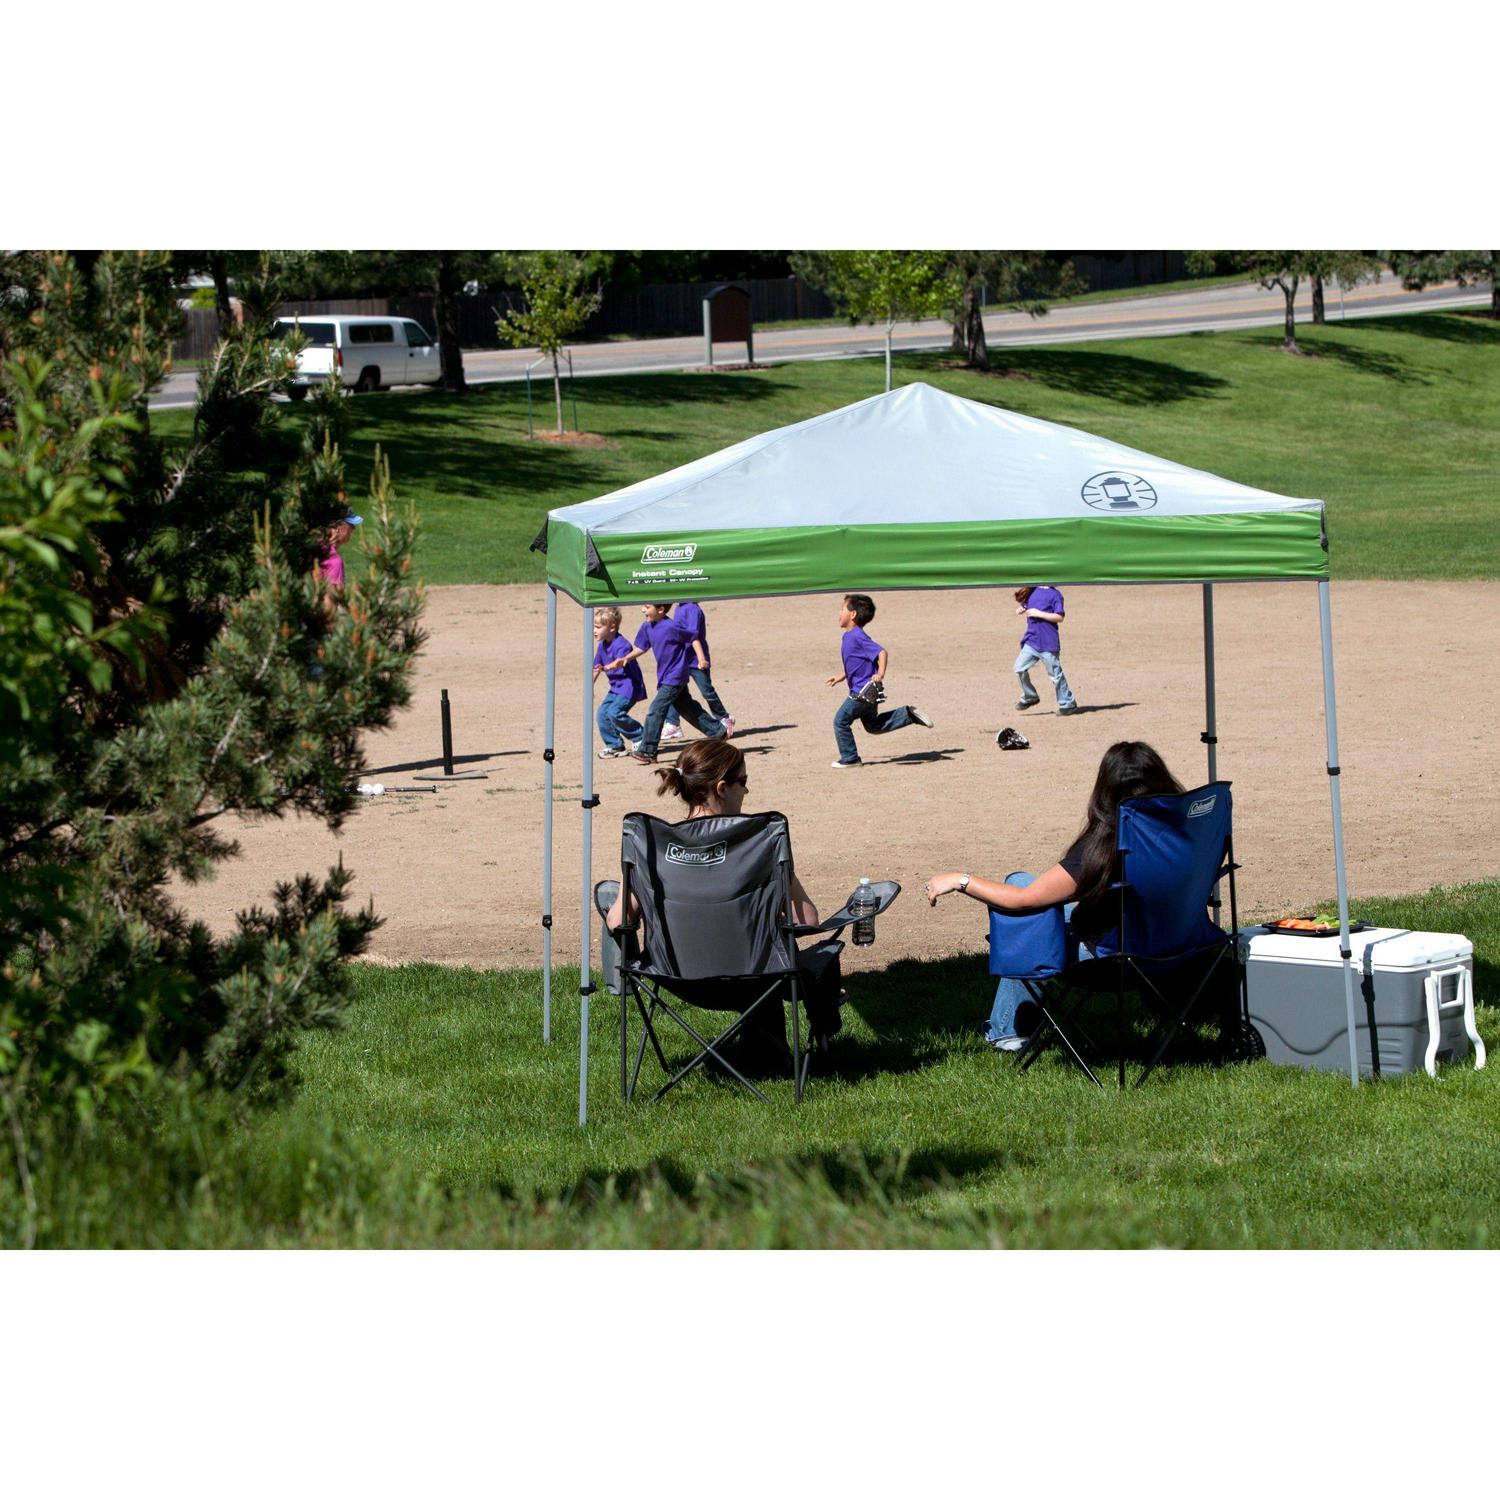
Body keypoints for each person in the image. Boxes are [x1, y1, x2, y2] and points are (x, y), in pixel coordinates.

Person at [922, 741, 1184, 1050]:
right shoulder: (1187, 831)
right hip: (1179, 944)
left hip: (1115, 959)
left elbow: (1025, 899)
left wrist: (960, 879)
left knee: (1023, 902)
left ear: (1105, 790)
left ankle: (1008, 1031)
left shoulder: (1105, 846)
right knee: (1023, 885)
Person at [605, 738, 845, 1067]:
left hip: (674, 978)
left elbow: (617, 921)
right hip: (758, 979)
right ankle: (809, 1047)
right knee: (817, 957)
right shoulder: (760, 842)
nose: (746, 791)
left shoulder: (650, 845)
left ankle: (767, 1052)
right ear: (721, 787)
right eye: (743, 782)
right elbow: (806, 919)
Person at [827, 593, 933, 768]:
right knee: (873, 725)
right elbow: (856, 662)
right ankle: (907, 715)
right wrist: (842, 675)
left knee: (840, 721)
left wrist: (881, 673)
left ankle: (850, 758)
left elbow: (881, 652)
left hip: (862, 692)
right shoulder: (850, 636)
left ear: (852, 614)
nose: (839, 613)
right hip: (867, 693)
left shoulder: (857, 636)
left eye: (842, 609)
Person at [618, 603, 726, 765]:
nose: (642, 610)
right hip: (665, 675)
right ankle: (717, 731)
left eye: (647, 607)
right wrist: (628, 657)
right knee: (686, 707)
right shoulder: (647, 627)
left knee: (656, 710)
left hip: (676, 676)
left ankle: (648, 751)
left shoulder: (672, 627)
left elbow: (693, 637)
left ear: (660, 610)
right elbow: (642, 647)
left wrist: (702, 659)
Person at [662, 599, 734, 741]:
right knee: (674, 691)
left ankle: (723, 717)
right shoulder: (679, 608)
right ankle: (672, 724)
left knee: (707, 691)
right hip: (682, 658)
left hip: (696, 660)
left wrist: (701, 658)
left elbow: (692, 635)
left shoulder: (692, 609)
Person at [1013, 584, 1077, 715]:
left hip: (1048, 643)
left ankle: (1067, 703)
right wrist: (1022, 608)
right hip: (1031, 641)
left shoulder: (1055, 594)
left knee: (1056, 675)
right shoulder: (1033, 590)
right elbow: (1029, 604)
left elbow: (1060, 617)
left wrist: (1039, 614)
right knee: (1019, 668)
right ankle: (1030, 696)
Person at [591, 607, 646, 757]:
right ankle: (615, 745)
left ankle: (641, 737)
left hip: (629, 687)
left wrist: (607, 667)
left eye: (598, 627)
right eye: (594, 626)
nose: (594, 630)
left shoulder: (623, 645)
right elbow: (596, 667)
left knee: (615, 713)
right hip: (616, 688)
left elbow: (620, 663)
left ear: (612, 627)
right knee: (602, 714)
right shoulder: (602, 645)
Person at [314, 513, 361, 612]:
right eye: (351, 526)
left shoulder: (314, 547)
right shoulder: (334, 560)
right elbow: (330, 600)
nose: (354, 529)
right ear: (337, 529)